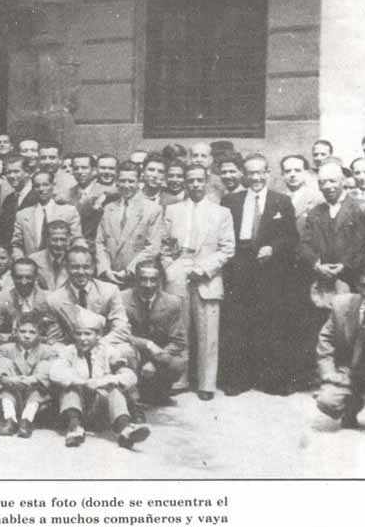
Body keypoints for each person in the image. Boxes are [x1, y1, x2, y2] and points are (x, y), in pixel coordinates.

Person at [220, 154, 298, 396]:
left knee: (269, 323)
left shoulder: (281, 201)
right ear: (245, 174)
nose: (255, 177)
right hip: (239, 266)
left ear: (267, 173)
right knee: (239, 323)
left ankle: (270, 380)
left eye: (259, 172)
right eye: (250, 173)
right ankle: (240, 379)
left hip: (269, 269)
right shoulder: (231, 200)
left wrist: (273, 247)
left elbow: (292, 236)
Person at [161, 164, 235, 401]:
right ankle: (180, 379)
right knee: (179, 331)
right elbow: (165, 247)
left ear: (206, 182)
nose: (194, 185)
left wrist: (202, 269)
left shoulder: (221, 212)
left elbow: (227, 249)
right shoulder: (172, 211)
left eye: (199, 180)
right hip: (178, 277)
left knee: (208, 333)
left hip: (207, 278)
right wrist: (171, 269)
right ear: (184, 181)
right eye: (190, 180)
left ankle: (206, 383)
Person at [49, 308, 150, 449]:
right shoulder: (69, 351)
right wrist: (82, 382)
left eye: (88, 334)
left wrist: (104, 381)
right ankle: (74, 429)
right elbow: (55, 372)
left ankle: (125, 430)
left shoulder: (109, 351)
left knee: (114, 391)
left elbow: (129, 376)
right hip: (77, 408)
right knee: (70, 390)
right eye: (78, 334)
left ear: (98, 335)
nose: (83, 338)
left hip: (101, 410)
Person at [314, 266, 365, 429]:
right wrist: (329, 373)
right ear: (357, 284)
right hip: (351, 372)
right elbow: (325, 339)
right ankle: (352, 406)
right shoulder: (342, 303)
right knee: (326, 401)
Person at [300, 161, 365, 292]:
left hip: (354, 281)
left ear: (342, 181)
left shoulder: (361, 208)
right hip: (322, 282)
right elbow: (305, 244)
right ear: (319, 186)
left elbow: (364, 245)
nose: (329, 186)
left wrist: (344, 265)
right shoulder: (314, 213)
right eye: (323, 182)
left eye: (333, 181)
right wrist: (316, 264)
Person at [121, 260, 187, 407]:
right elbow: (120, 334)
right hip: (133, 354)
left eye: (153, 280)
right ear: (136, 280)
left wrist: (154, 361)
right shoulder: (122, 299)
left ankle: (159, 394)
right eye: (143, 279)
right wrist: (147, 344)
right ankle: (132, 401)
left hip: (158, 355)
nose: (148, 285)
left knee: (177, 363)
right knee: (124, 353)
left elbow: (178, 341)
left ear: (160, 281)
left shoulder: (172, 302)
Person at [0, 315, 57, 437]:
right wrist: (8, 379)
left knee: (45, 366)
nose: (27, 335)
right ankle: (10, 419)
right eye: (22, 331)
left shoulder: (47, 351)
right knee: (2, 363)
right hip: (12, 393)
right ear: (16, 332)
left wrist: (32, 380)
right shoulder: (6, 349)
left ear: (39, 334)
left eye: (32, 332)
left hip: (36, 397)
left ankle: (27, 421)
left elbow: (53, 372)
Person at [94, 161, 164, 287]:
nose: (126, 186)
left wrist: (128, 271)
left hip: (137, 278)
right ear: (117, 181)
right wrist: (105, 269)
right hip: (109, 277)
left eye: (131, 181)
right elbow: (100, 243)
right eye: (122, 181)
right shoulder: (109, 208)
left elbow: (152, 248)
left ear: (139, 182)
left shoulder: (153, 209)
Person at [11, 170, 82, 258]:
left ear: (53, 185)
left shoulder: (69, 211)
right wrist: (22, 263)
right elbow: (17, 244)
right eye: (37, 186)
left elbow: (76, 240)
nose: (41, 189)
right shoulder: (22, 215)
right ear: (33, 188)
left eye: (45, 185)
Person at [28, 220, 72, 292]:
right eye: (54, 240)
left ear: (69, 239)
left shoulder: (74, 260)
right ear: (47, 239)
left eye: (63, 239)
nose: (59, 244)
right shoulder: (33, 260)